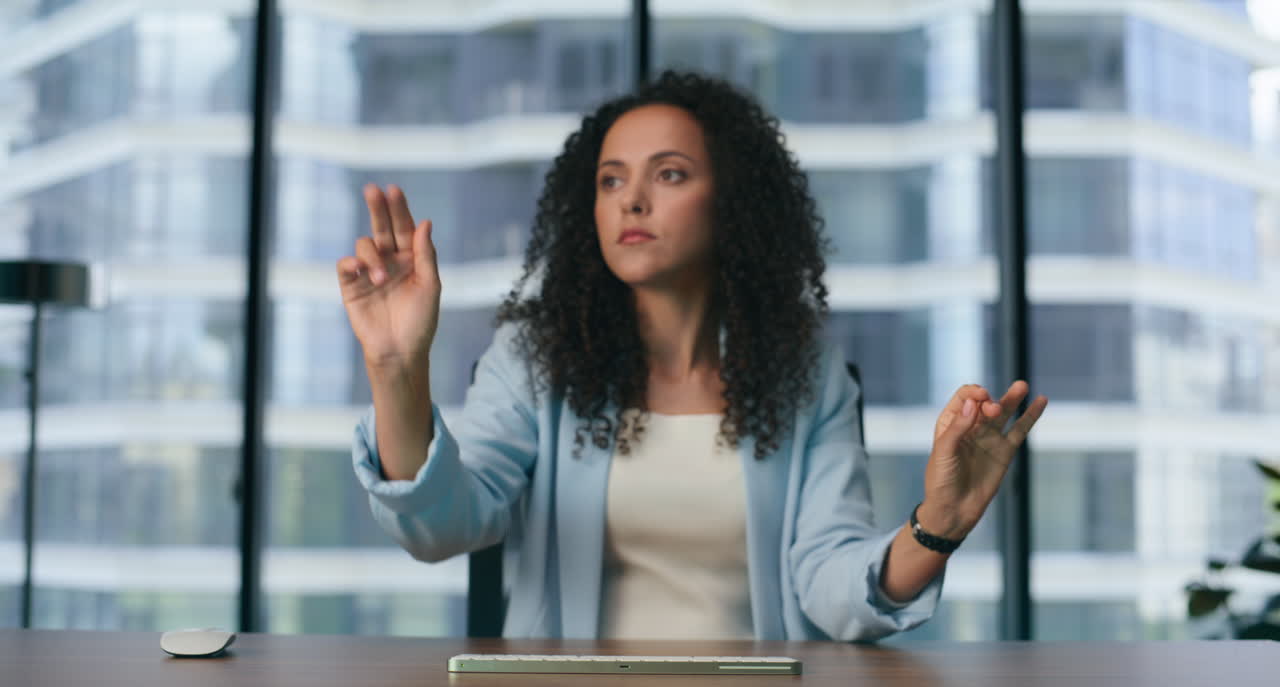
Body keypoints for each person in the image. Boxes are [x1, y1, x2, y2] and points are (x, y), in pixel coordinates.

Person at [338, 71, 1048, 642]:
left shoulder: (806, 376)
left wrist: (938, 526)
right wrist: (395, 371)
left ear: (730, 204)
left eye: (669, 175)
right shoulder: (534, 359)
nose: (632, 202)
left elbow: (830, 584)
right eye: (610, 180)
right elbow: (444, 525)